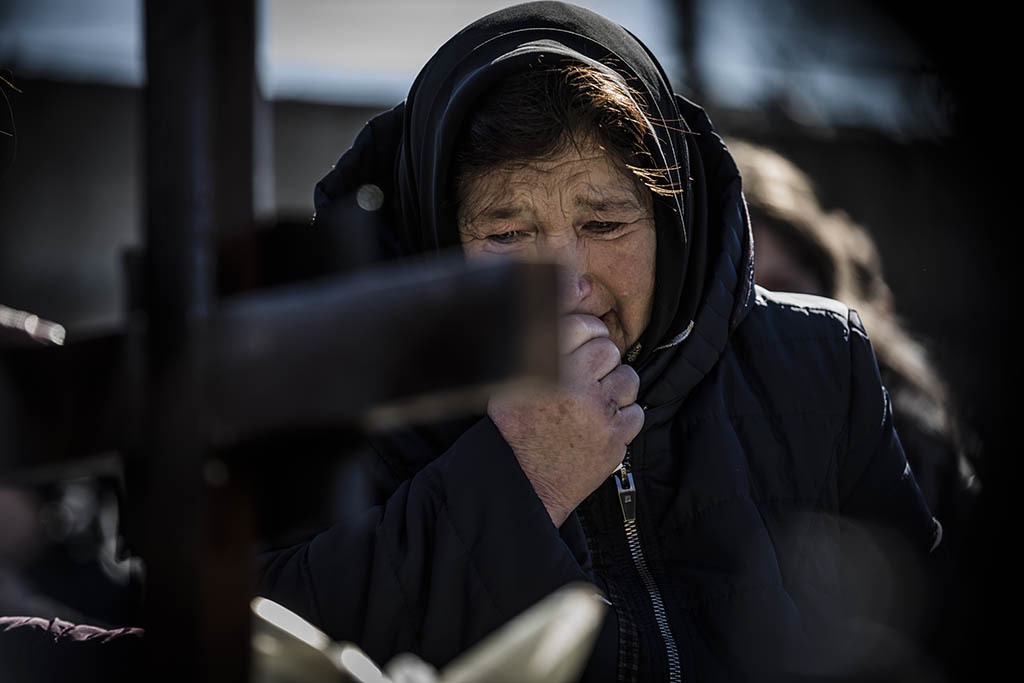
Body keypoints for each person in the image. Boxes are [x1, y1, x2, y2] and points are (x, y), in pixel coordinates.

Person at [258, 3, 941, 681]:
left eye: (606, 223)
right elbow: (264, 629)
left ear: (669, 226)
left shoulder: (820, 361)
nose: (567, 287)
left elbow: (926, 626)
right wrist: (520, 476)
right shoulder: (355, 396)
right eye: (507, 235)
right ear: (440, 238)